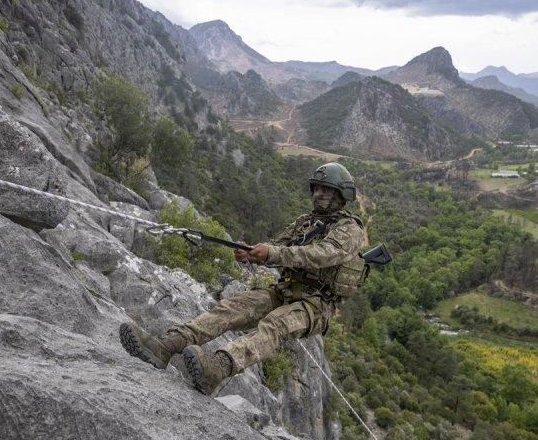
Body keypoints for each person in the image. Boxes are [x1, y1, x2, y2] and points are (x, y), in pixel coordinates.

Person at [119, 163, 367, 394]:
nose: (318, 194)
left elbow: (322, 254)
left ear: (340, 195)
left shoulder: (350, 229)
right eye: (317, 189)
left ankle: (217, 369)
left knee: (275, 325)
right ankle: (166, 346)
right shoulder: (306, 223)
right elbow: (276, 245)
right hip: (286, 290)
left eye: (326, 190)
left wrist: (271, 253)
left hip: (316, 305)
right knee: (233, 307)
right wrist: (251, 253)